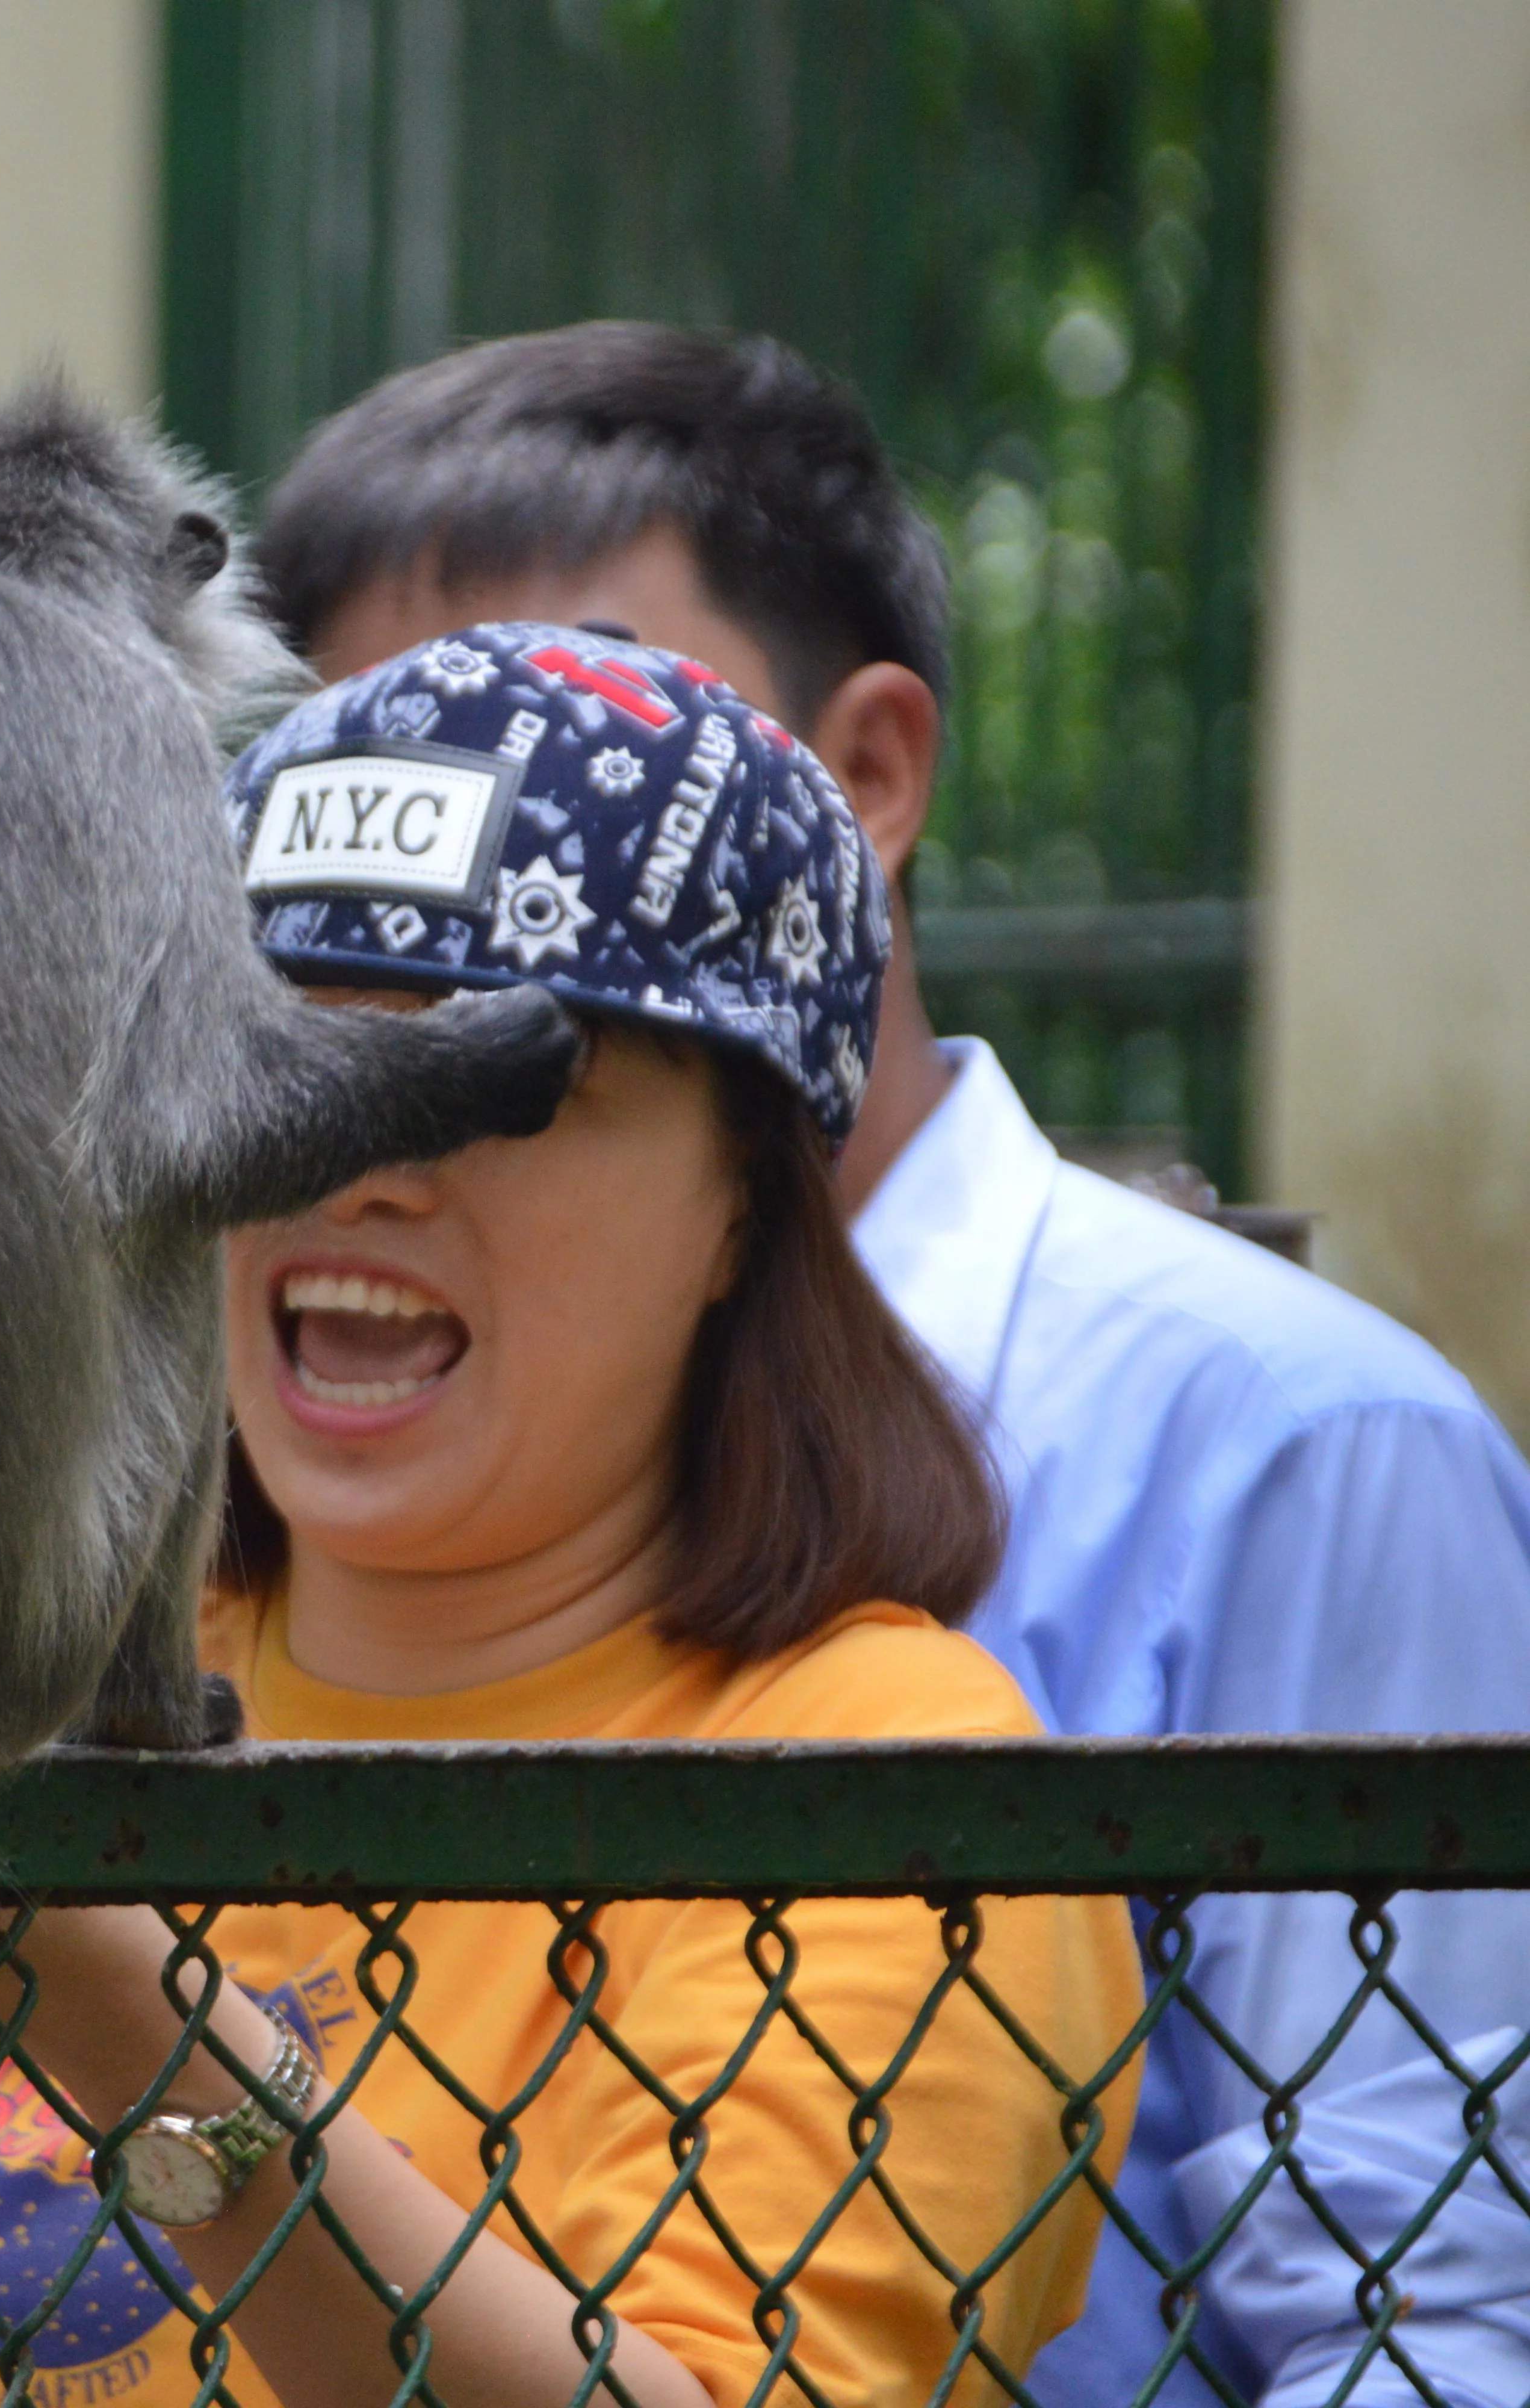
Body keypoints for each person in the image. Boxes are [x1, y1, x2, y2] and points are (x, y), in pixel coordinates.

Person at [0, 627, 1147, 2406]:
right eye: (272, 1056)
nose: (355, 1165)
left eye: (509, 1085)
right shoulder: (9, 1674)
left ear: (748, 1205)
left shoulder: (897, 1781)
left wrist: (83, 1977)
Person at [247, 321, 1530, 2406]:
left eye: (601, 702)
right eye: (304, 1048)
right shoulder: (97, 1648)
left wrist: (131, 2023)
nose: (486, 766)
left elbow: (1422, 2319)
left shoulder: (1292, 1445)